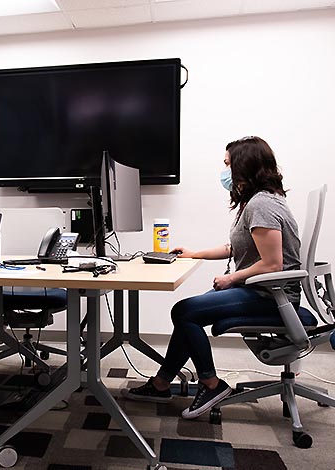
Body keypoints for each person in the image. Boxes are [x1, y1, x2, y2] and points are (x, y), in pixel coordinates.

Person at [122, 136, 301, 419]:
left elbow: (273, 264)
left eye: (228, 164)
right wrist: (195, 254)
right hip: (261, 290)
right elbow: (236, 248)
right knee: (187, 314)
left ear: (244, 166)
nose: (225, 172)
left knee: (184, 311)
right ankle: (160, 384)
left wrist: (231, 279)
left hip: (272, 296)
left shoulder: (261, 206)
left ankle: (211, 383)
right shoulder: (258, 202)